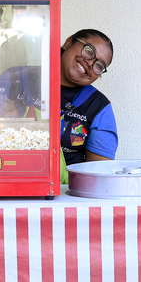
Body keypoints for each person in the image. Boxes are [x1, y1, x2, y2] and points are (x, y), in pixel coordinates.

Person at [59, 29, 117, 175]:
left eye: (99, 66)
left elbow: (98, 174)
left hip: (65, 188)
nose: (90, 63)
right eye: (89, 51)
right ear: (69, 42)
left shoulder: (99, 107)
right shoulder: (20, 79)